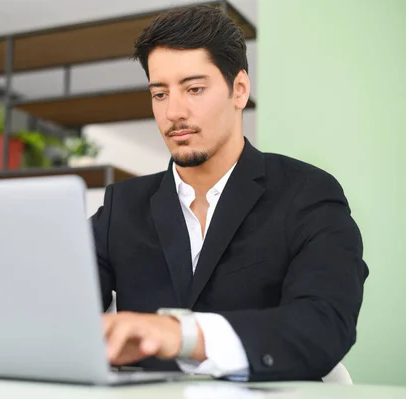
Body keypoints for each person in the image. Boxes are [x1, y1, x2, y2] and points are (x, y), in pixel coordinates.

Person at [92, 4, 368, 382]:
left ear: (238, 90)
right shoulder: (120, 207)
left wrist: (184, 335)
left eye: (194, 89)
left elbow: (324, 324)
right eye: (159, 94)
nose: (173, 111)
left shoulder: (307, 194)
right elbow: (54, 308)